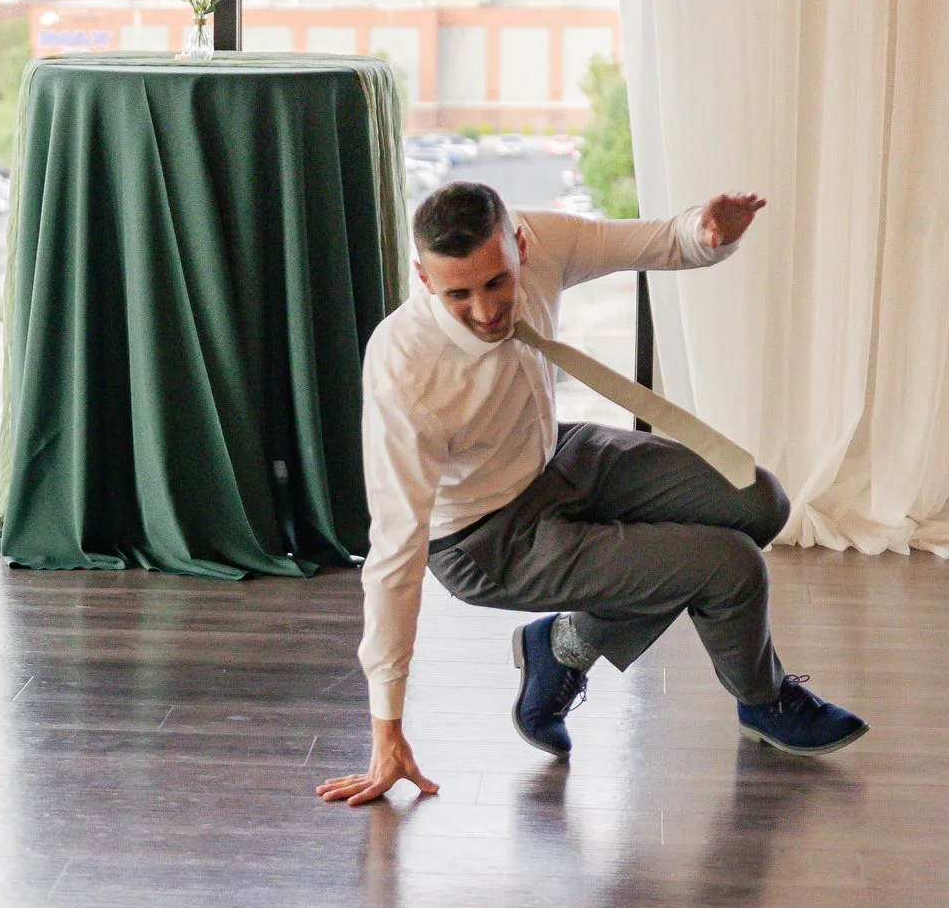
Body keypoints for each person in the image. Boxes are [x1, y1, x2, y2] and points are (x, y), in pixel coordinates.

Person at [317, 181, 867, 806]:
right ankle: (764, 703)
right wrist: (386, 729)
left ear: (519, 244)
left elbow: (653, 241)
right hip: (484, 537)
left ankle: (563, 647)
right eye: (457, 294)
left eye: (496, 282)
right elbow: (393, 553)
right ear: (423, 276)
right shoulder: (403, 369)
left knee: (758, 500)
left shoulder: (540, 238)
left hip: (554, 453)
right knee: (728, 566)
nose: (485, 310)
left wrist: (707, 236)